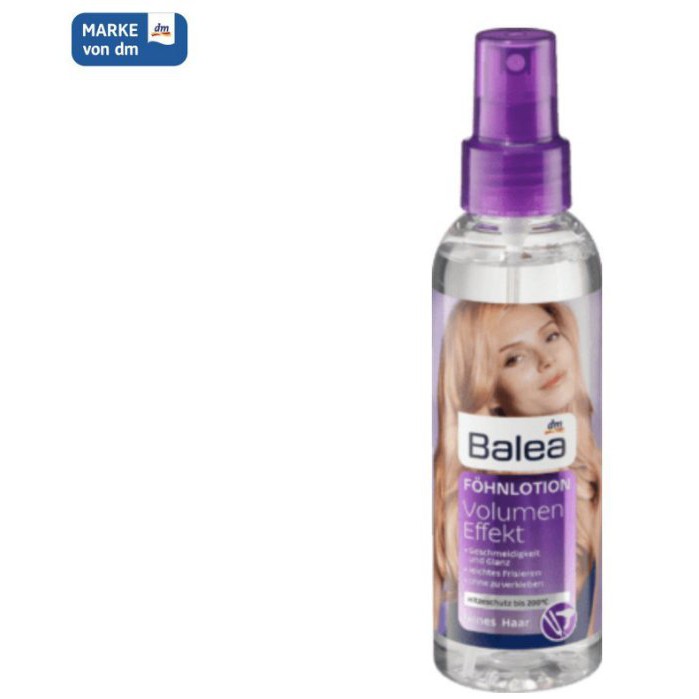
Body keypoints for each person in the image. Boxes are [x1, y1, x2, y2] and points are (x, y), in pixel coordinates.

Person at [433, 301, 601, 636]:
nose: (546, 360)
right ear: (486, 388)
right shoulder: (452, 495)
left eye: (551, 336)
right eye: (514, 358)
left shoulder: (594, 480)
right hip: (474, 656)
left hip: (563, 654)